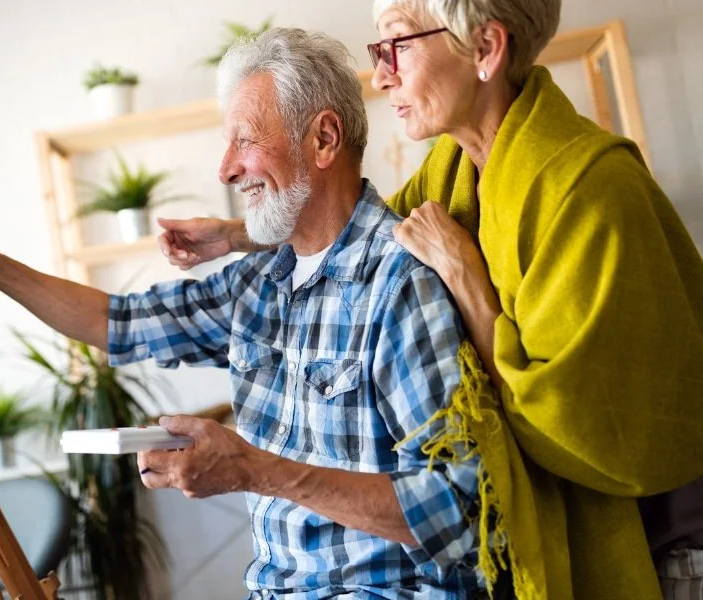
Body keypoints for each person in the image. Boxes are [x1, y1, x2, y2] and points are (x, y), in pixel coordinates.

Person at [0, 28, 491, 599]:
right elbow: (118, 323)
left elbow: (458, 510)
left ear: (324, 140)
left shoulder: (398, 283)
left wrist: (255, 470)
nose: (226, 169)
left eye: (244, 139)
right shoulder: (259, 283)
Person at [155, 0, 703, 597]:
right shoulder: (452, 167)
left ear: (487, 50)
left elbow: (582, 429)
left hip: (670, 543)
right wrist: (239, 235)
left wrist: (468, 282)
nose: (382, 73)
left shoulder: (590, 189)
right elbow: (361, 230)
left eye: (399, 45)